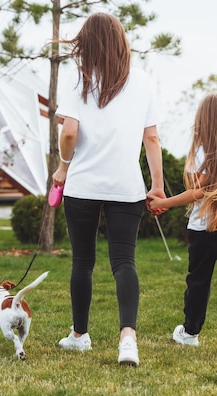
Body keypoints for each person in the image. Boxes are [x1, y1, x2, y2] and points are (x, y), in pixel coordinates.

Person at [51, 12, 165, 367]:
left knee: (83, 261)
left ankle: (80, 336)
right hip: (126, 185)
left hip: (83, 184)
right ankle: (127, 339)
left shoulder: (78, 78)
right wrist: (158, 185)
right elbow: (152, 137)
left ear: (88, 42)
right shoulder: (143, 81)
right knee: (124, 261)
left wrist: (62, 167)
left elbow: (69, 132)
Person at [147, 92, 217, 361]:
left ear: (203, 122)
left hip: (201, 230)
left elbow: (198, 193)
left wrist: (164, 202)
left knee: (198, 282)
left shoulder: (199, 154)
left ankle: (190, 333)